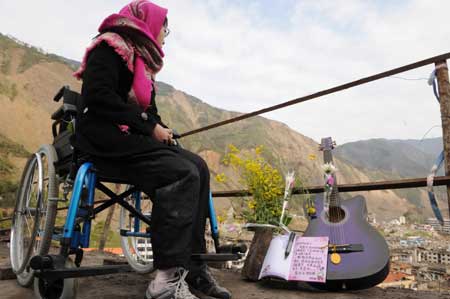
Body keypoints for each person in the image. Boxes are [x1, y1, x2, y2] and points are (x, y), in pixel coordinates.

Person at [73, 1, 232, 299]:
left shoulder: (142, 64)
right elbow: (98, 97)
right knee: (181, 173)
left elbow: (151, 114)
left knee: (197, 165)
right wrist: (148, 127)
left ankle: (194, 267)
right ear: (148, 24)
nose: (165, 34)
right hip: (103, 140)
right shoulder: (108, 47)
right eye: (164, 28)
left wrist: (161, 129)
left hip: (133, 141)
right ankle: (166, 279)